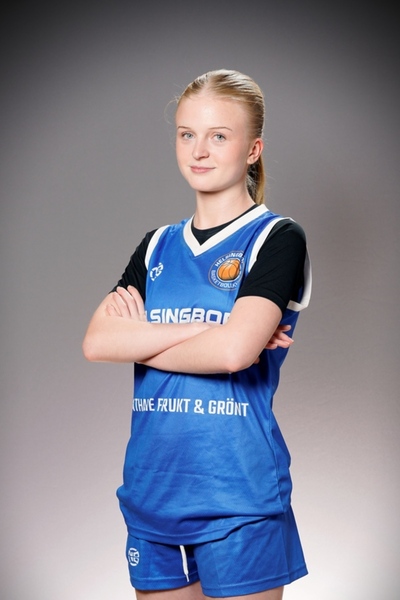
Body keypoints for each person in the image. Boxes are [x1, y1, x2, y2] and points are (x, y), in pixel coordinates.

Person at [83, 69, 311, 600]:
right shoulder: (156, 246)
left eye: (219, 136)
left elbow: (233, 354)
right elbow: (97, 343)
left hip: (239, 496)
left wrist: (144, 335)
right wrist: (209, 330)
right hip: (152, 490)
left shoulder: (276, 238)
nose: (199, 150)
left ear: (253, 150)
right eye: (187, 134)